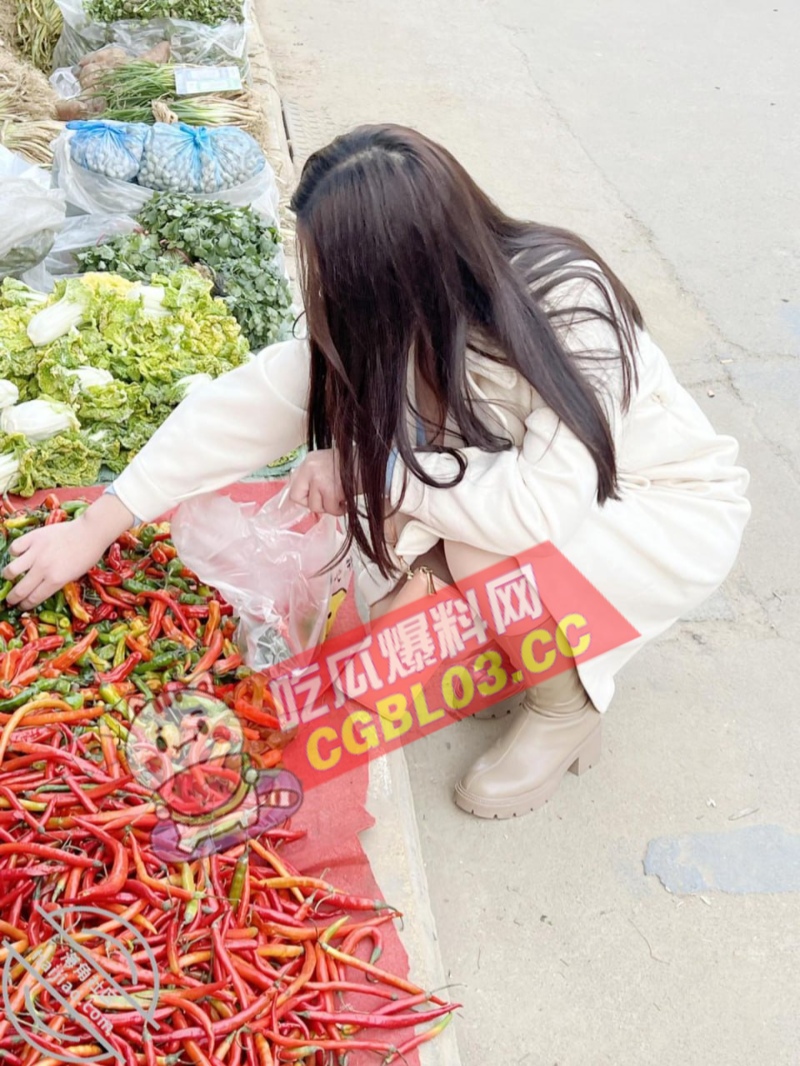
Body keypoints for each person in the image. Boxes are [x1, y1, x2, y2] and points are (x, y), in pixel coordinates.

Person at [3, 125, 750, 820]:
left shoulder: (569, 310)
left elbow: (537, 510)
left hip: (657, 512)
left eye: (331, 276)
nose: (318, 293)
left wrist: (376, 473)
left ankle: (566, 710)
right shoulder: (403, 317)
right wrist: (97, 525)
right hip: (530, 501)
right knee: (414, 581)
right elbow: (241, 408)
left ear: (390, 277)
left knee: (471, 553)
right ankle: (523, 646)